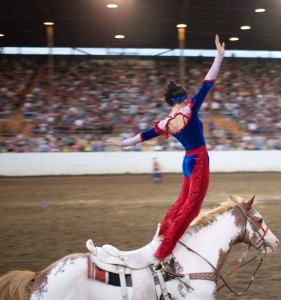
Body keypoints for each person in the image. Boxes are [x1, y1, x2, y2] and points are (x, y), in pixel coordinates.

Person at [106, 34, 225, 263]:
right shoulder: (190, 108)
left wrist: (123, 143)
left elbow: (144, 136)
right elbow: (207, 84)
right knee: (191, 208)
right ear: (183, 97)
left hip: (188, 161)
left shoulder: (166, 123)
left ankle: (162, 235)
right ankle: (163, 250)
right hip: (199, 160)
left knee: (182, 202)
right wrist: (218, 57)